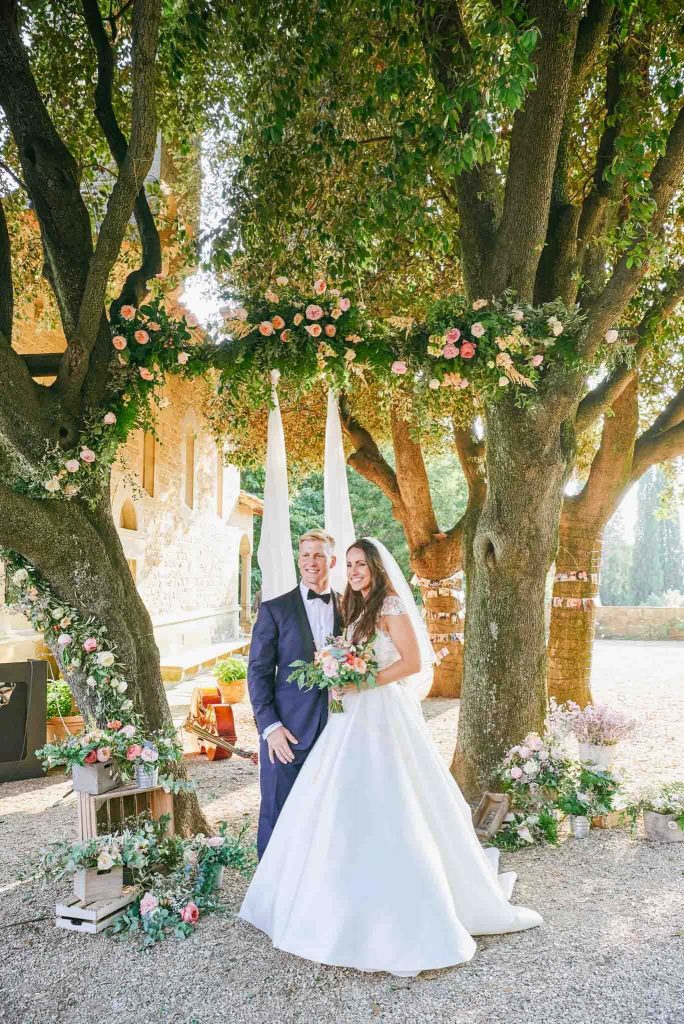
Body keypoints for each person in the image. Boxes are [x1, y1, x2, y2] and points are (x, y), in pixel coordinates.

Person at [239, 537, 543, 976]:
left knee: (387, 797)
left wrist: (359, 681)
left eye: (356, 562)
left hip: (372, 714)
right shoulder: (331, 606)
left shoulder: (385, 605)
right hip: (321, 723)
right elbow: (260, 672)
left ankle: (394, 908)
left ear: (376, 566)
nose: (352, 569)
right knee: (311, 807)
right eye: (348, 563)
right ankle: (295, 893)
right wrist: (271, 724)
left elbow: (413, 662)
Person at [247, 528, 342, 858]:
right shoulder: (275, 610)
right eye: (305, 555)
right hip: (286, 733)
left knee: (327, 812)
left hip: (337, 731)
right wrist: (270, 728)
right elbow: (258, 673)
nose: (311, 562)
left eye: (318, 555)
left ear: (331, 559)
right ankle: (268, 897)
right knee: (277, 811)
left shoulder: (350, 608)